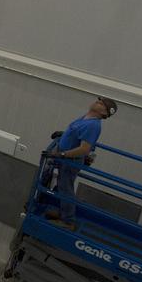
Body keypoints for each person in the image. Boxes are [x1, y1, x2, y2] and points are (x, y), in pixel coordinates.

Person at [44, 96, 118, 226]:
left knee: (66, 188)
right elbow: (76, 133)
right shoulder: (86, 117)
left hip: (70, 160)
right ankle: (63, 213)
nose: (98, 102)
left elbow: (84, 149)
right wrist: (63, 135)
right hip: (66, 158)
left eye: (102, 103)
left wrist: (62, 154)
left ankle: (68, 220)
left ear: (105, 113)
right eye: (99, 100)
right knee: (62, 186)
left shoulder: (93, 125)